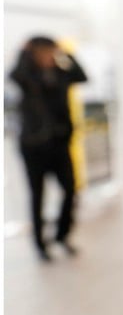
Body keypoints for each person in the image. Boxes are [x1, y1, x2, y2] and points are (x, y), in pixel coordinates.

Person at [9, 36, 87, 261]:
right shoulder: (27, 77)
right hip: (33, 145)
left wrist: (65, 54)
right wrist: (24, 51)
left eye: (50, 51)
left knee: (71, 189)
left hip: (59, 144)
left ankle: (62, 235)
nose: (47, 56)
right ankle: (40, 244)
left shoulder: (62, 74)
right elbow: (15, 74)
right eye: (42, 51)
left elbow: (82, 76)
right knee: (37, 195)